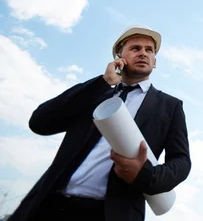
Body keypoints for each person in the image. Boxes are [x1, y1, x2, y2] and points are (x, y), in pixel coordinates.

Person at [10, 26, 192, 221]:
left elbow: (181, 161)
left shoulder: (169, 106)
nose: (143, 53)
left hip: (111, 213)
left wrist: (147, 175)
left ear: (154, 62)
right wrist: (103, 82)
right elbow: (40, 123)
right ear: (119, 57)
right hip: (49, 206)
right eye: (135, 48)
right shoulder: (95, 92)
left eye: (149, 50)